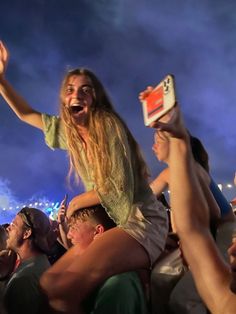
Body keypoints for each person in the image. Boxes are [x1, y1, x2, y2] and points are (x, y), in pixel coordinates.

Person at [0, 41, 168, 313]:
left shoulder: (107, 126)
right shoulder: (71, 134)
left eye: (85, 90)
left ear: (95, 100)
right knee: (50, 284)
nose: (77, 94)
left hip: (140, 221)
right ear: (64, 101)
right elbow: (26, 114)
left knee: (65, 288)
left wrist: (77, 203)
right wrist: (1, 81)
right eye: (70, 90)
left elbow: (117, 188)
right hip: (114, 227)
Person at [151, 105, 236, 314]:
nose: (153, 147)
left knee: (185, 298)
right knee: (160, 279)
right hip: (219, 232)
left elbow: (214, 213)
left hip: (225, 234)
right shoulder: (189, 168)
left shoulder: (177, 171)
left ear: (171, 142)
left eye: (157, 141)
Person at [65, 204, 148, 314]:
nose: (68, 235)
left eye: (74, 228)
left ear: (98, 231)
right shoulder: (104, 271)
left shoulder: (118, 284)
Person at [3, 207, 52, 314]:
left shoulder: (24, 278)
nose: (8, 229)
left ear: (26, 233)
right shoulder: (40, 261)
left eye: (13, 225)